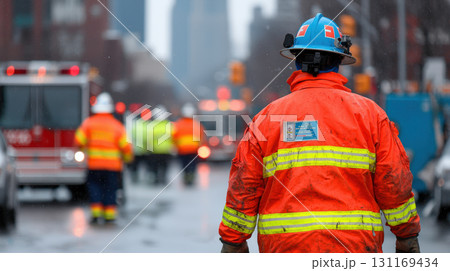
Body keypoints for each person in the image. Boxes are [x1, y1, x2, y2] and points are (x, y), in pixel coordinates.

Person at [218, 13, 421, 253]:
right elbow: (394, 182)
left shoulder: (266, 119)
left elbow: (244, 186)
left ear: (296, 60)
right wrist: (407, 236)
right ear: (339, 61)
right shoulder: (371, 116)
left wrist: (233, 242)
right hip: (354, 251)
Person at [75, 92, 133, 224]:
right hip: (112, 167)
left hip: (94, 165)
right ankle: (109, 216)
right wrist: (128, 159)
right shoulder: (117, 126)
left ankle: (96, 214)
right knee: (110, 190)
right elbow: (126, 147)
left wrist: (83, 149)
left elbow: (78, 141)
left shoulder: (88, 124)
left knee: (94, 188)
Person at [173, 103, 205, 186]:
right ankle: (191, 178)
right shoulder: (197, 124)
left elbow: (174, 137)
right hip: (193, 150)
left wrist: (175, 146)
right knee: (192, 165)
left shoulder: (178, 124)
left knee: (184, 165)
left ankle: (186, 178)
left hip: (182, 150)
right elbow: (201, 137)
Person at [146, 105, 174, 185]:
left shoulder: (151, 126)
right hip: (166, 151)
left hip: (155, 151)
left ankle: (156, 178)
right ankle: (163, 178)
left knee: (155, 167)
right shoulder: (169, 125)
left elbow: (148, 139)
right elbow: (173, 137)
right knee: (164, 166)